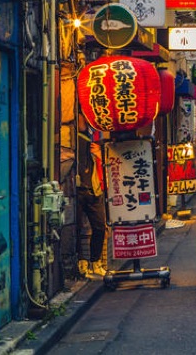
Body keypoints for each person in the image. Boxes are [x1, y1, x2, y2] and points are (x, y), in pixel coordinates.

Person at [76, 114, 108, 280]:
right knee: (76, 228)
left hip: (95, 189)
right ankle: (82, 263)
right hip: (78, 189)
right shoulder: (74, 140)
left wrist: (99, 155)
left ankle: (95, 262)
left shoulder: (95, 138)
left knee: (100, 226)